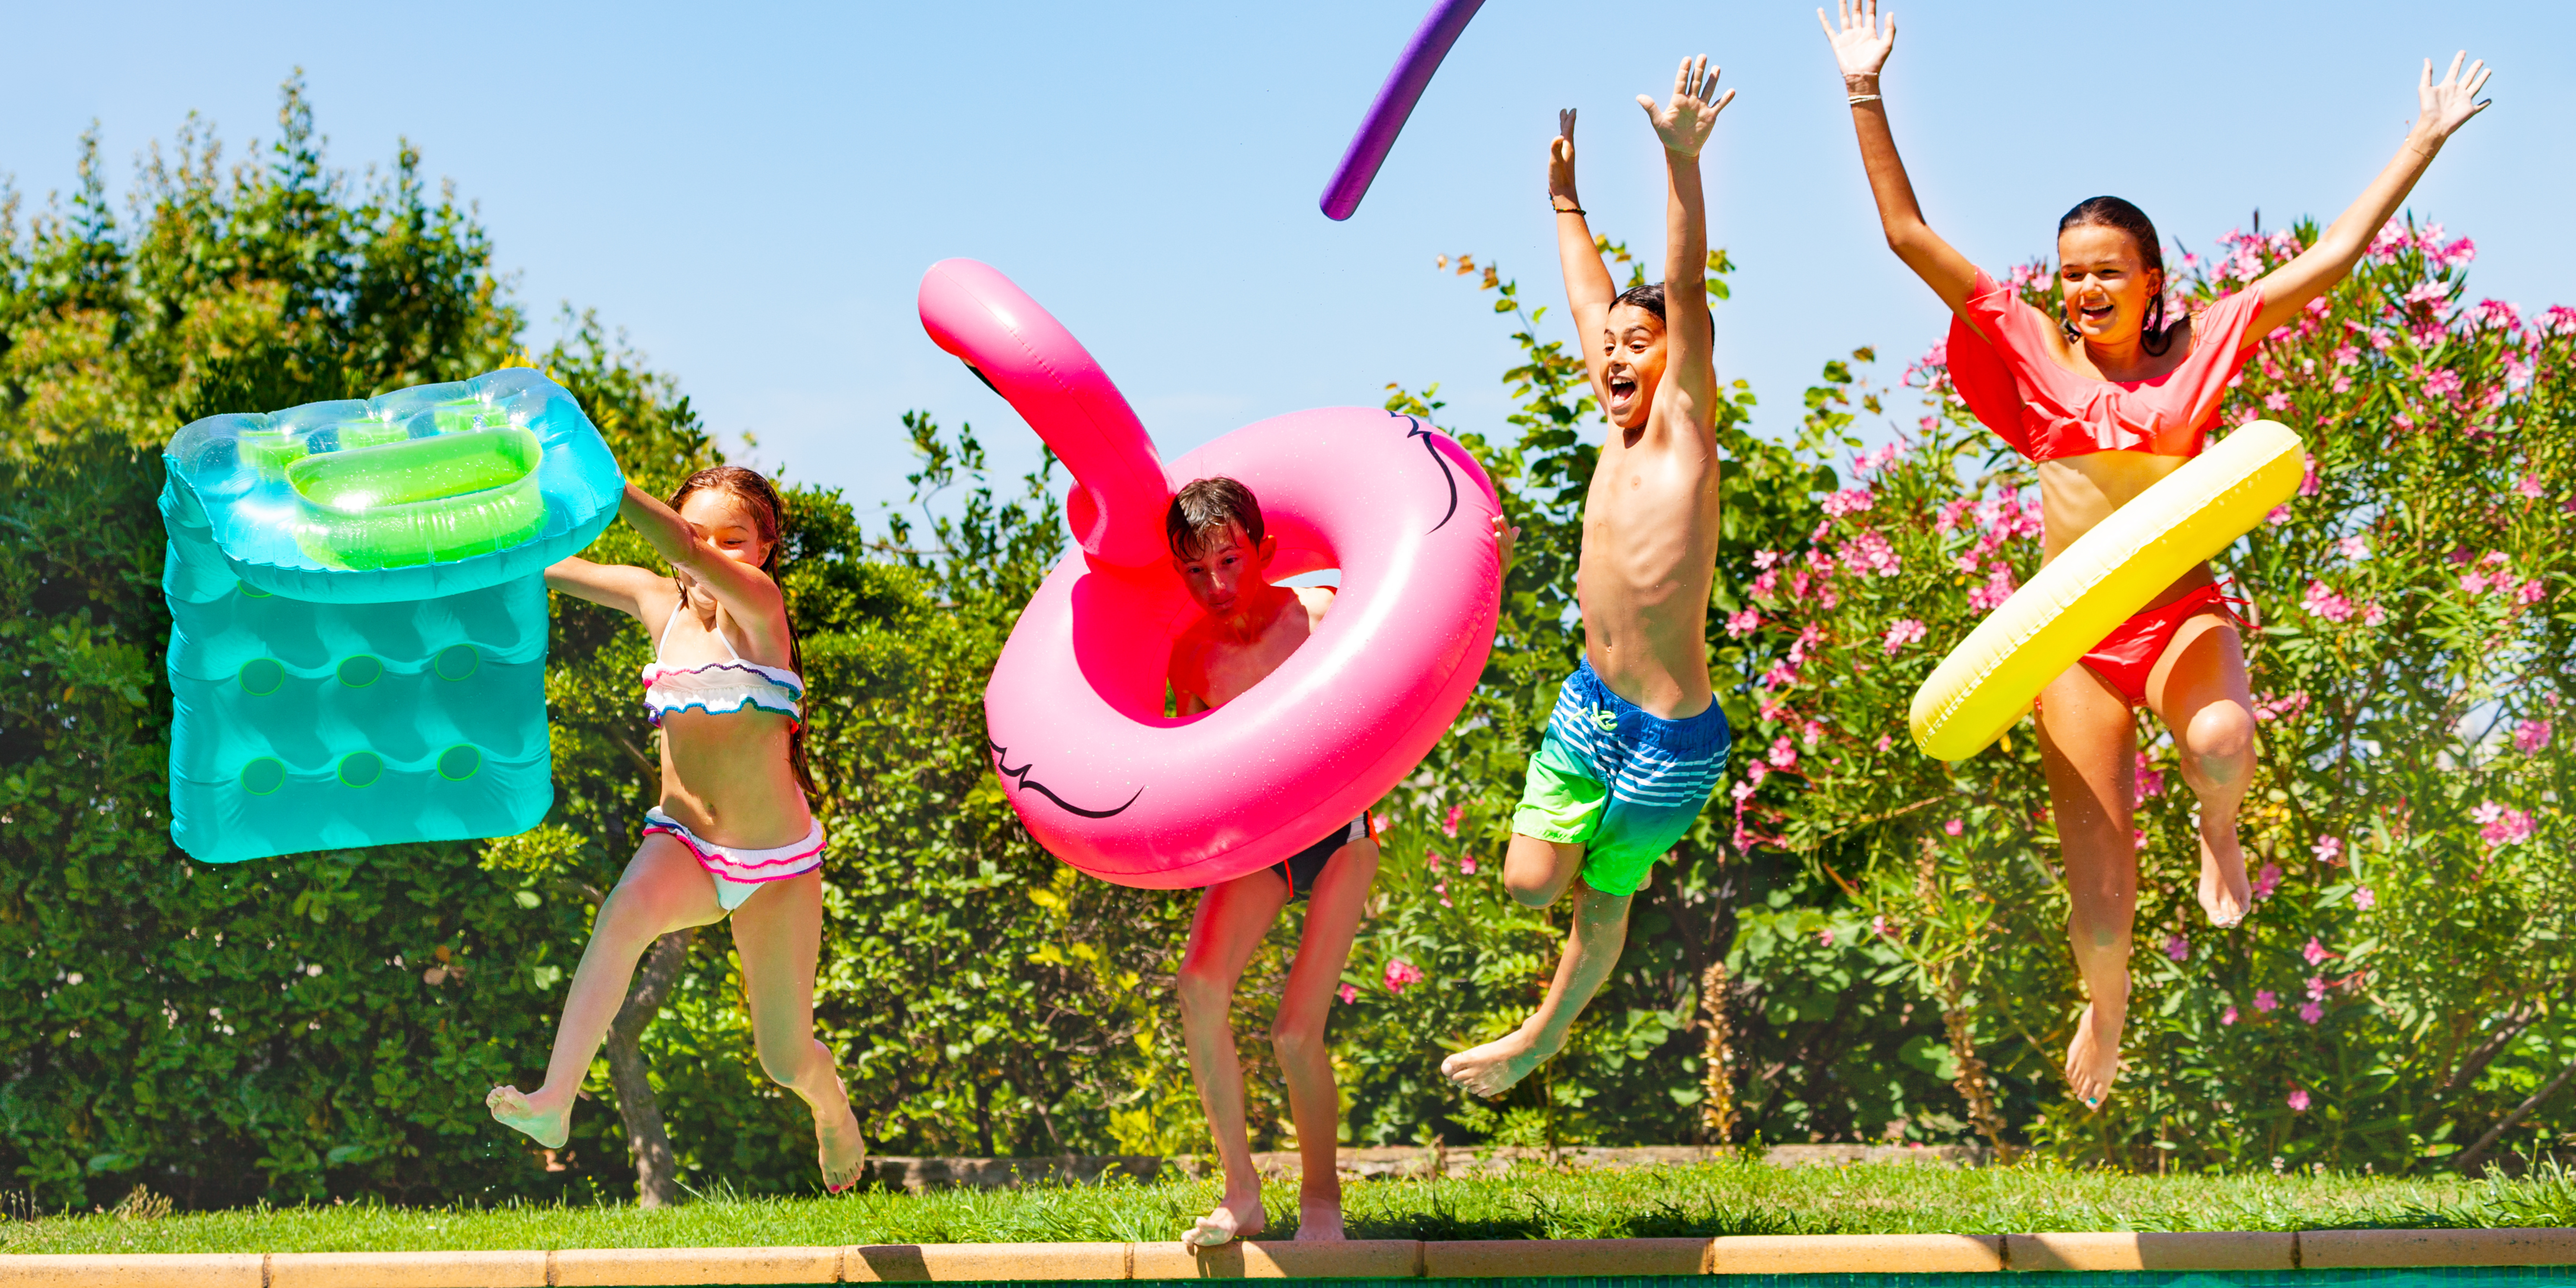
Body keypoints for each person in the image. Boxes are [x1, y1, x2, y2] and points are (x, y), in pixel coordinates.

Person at [1818, 0, 2492, 1107]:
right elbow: (1907, 235)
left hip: (2176, 612)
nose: (2084, 290)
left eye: (2108, 273)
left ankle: (2219, 832)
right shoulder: (2029, 343)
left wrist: (2421, 139)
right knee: (2099, 891)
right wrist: (1864, 88)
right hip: (2073, 637)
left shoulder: (2207, 343)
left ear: (2152, 283)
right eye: (2072, 272)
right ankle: (2109, 1008)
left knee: (2223, 741)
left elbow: (2330, 261)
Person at [1442, 57, 1736, 1101]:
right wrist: (1566, 203)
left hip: (1672, 740)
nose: (1610, 352)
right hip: (1589, 708)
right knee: (1530, 887)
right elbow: (1585, 294)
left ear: (1677, 363)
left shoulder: (1682, 436)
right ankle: (1542, 1018)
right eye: (1605, 344)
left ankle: (1538, 1037)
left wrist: (1679, 161)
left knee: (1600, 909)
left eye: (1635, 343)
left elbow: (1686, 287)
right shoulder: (1614, 425)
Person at [487, 466, 867, 1192]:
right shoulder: (656, 601)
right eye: (703, 535)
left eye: (737, 540)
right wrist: (465, 543)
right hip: (686, 846)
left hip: (777, 866)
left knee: (784, 1059)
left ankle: (831, 1108)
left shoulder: (761, 608)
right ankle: (554, 1103)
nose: (717, 553)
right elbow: (543, 566)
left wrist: (606, 481)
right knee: (623, 914)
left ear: (764, 549)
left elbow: (687, 548)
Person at [1167, 477, 1512, 1246]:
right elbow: (1188, 772)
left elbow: (1420, 638)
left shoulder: (1319, 614)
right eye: (1195, 571)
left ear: (1263, 549)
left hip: (1340, 838)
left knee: (1295, 1032)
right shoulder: (1191, 658)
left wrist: (1495, 568)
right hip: (1262, 847)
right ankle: (1242, 1195)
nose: (1217, 585)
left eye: (1229, 560)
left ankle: (1322, 1202)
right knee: (1197, 988)